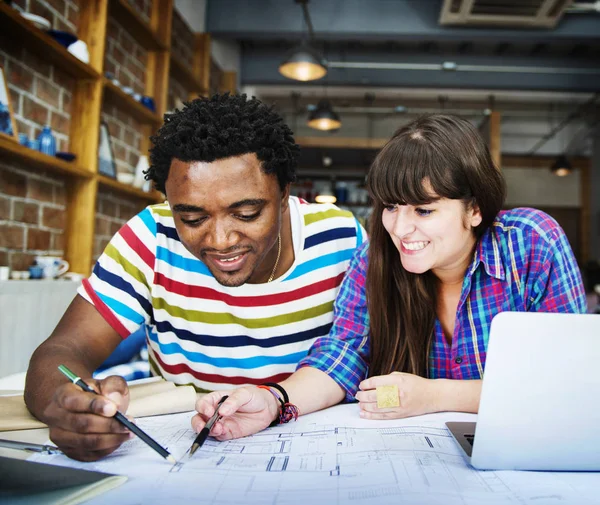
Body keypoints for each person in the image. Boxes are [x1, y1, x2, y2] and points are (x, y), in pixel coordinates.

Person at [193, 113, 587, 441]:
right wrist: (273, 401)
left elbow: (569, 383)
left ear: (475, 210)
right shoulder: (377, 256)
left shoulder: (531, 245)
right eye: (392, 206)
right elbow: (343, 355)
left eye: (424, 210)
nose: (400, 228)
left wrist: (433, 395)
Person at [24, 93, 366, 461]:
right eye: (191, 218)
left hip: (316, 446)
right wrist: (69, 405)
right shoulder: (150, 238)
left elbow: (371, 353)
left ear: (284, 194)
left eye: (247, 213)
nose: (220, 241)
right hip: (187, 448)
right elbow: (61, 351)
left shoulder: (340, 240)